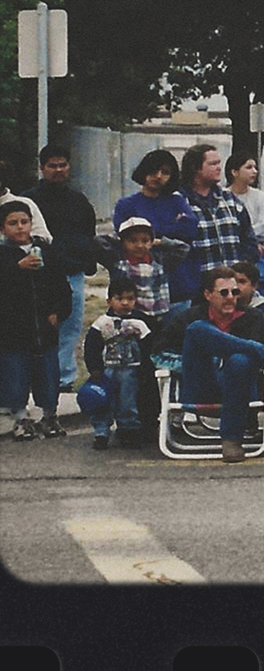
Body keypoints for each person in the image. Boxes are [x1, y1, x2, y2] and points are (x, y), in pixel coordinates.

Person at [154, 264, 264, 462]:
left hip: (242, 391)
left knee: (240, 359)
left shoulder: (254, 318)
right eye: (224, 292)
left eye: (235, 291)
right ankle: (251, 348)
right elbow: (159, 354)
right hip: (201, 385)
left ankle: (231, 441)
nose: (231, 297)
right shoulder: (189, 317)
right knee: (197, 330)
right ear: (207, 294)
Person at [22, 143, 98, 391]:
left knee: (70, 325)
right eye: (52, 166)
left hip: (72, 273)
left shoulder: (79, 200)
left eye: (62, 165)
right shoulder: (29, 201)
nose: (58, 170)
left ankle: (64, 379)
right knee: (38, 326)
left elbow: (89, 233)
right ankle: (36, 380)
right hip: (38, 274)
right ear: (42, 168)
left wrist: (87, 264)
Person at [0, 199, 66, 441]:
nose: (20, 227)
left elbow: (61, 286)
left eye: (24, 222)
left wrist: (59, 312)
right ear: (2, 229)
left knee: (48, 374)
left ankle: (49, 416)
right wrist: (17, 268)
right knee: (16, 376)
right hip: (14, 332)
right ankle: (20, 419)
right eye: (12, 223)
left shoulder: (46, 252)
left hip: (45, 329)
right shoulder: (1, 256)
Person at [113, 149, 200, 309]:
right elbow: (126, 236)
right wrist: (171, 229)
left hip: (178, 280)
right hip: (140, 282)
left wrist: (153, 233)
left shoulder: (177, 201)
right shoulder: (126, 205)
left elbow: (190, 229)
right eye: (153, 170)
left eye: (165, 172)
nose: (158, 176)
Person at [177, 143, 256, 316]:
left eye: (219, 162)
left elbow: (249, 240)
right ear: (195, 167)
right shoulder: (179, 202)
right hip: (197, 293)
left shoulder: (229, 199)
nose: (219, 167)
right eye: (212, 164)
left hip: (231, 294)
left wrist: (239, 274)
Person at [82, 280, 157, 450]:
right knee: (103, 401)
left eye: (129, 299)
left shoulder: (140, 324)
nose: (125, 303)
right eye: (119, 298)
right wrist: (94, 368)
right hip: (107, 371)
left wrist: (146, 369)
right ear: (109, 301)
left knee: (127, 401)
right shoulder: (102, 323)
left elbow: (148, 348)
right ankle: (101, 431)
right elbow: (91, 347)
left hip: (131, 370)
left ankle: (128, 430)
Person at [231, 151, 264, 259]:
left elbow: (262, 224)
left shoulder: (260, 196)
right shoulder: (224, 196)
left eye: (255, 167)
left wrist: (247, 237)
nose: (254, 171)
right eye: (249, 167)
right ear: (235, 172)